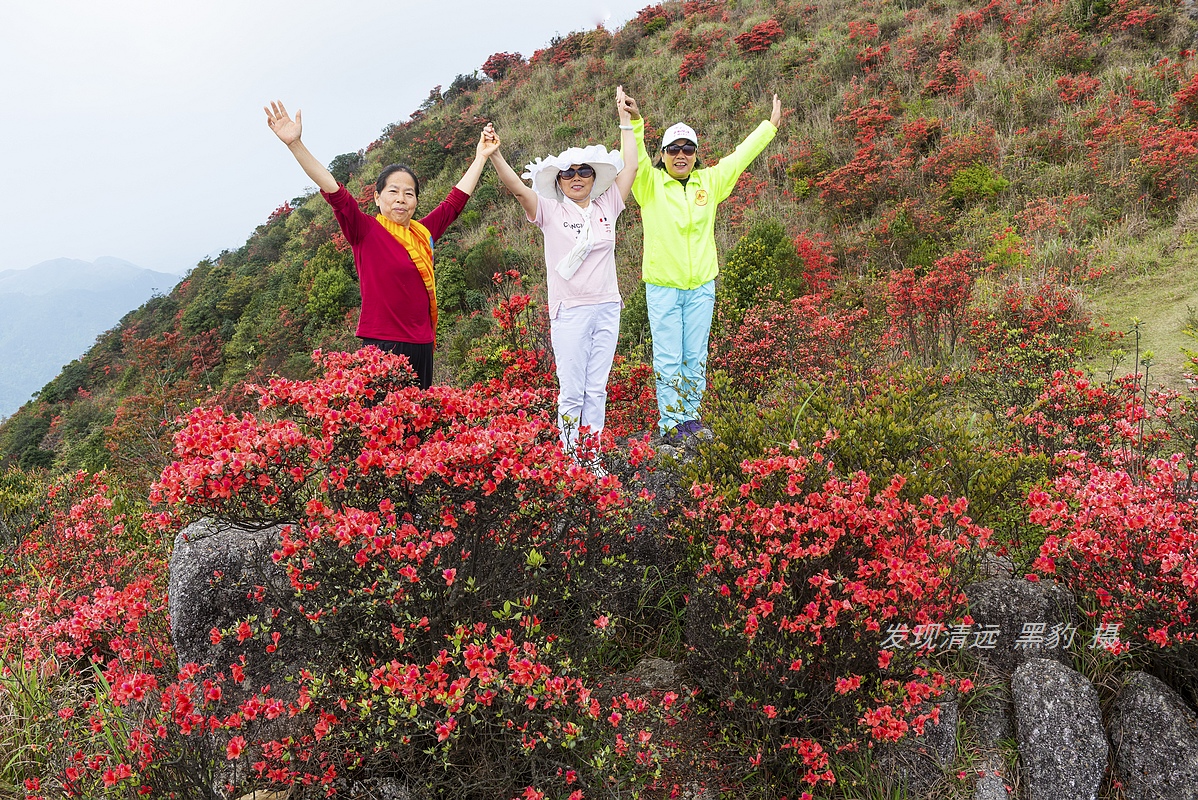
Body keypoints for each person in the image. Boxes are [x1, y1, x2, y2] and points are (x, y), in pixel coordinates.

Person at [265, 100, 499, 389]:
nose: (401, 199)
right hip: (382, 346)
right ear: (377, 198)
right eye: (393, 191)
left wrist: (481, 156)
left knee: (420, 428)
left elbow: (455, 202)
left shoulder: (422, 233)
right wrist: (295, 144)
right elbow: (333, 190)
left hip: (423, 345)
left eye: (409, 193)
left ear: (415, 201)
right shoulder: (365, 230)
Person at [485, 87, 638, 455]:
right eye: (568, 173)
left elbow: (630, 166)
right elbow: (519, 191)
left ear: (593, 177)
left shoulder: (608, 204)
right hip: (569, 312)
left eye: (584, 171)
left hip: (606, 307)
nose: (577, 177)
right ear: (558, 180)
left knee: (597, 388)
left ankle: (593, 455)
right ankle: (571, 458)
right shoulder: (552, 211)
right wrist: (495, 156)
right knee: (572, 390)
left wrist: (626, 122)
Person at [626, 93, 783, 441]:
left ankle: (691, 418)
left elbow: (740, 157)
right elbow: (634, 160)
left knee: (695, 355)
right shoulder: (649, 185)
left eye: (687, 149)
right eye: (673, 149)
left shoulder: (709, 182)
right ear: (663, 154)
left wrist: (769, 127)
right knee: (668, 357)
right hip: (664, 287)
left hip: (701, 288)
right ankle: (670, 424)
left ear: (695, 155)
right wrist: (635, 122)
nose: (680, 155)